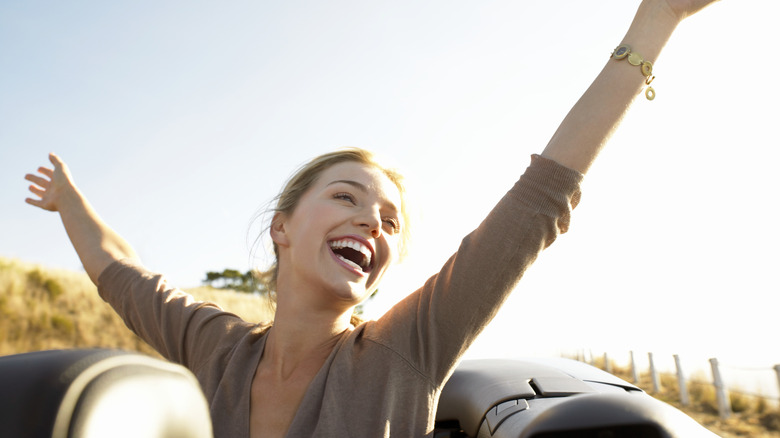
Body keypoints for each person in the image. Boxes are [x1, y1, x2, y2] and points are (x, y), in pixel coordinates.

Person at [24, 0, 720, 436]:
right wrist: (68, 202)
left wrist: (655, 20)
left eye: (391, 221)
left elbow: (540, 200)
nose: (374, 224)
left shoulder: (406, 347)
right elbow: (120, 272)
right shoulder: (215, 346)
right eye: (347, 197)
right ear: (282, 228)